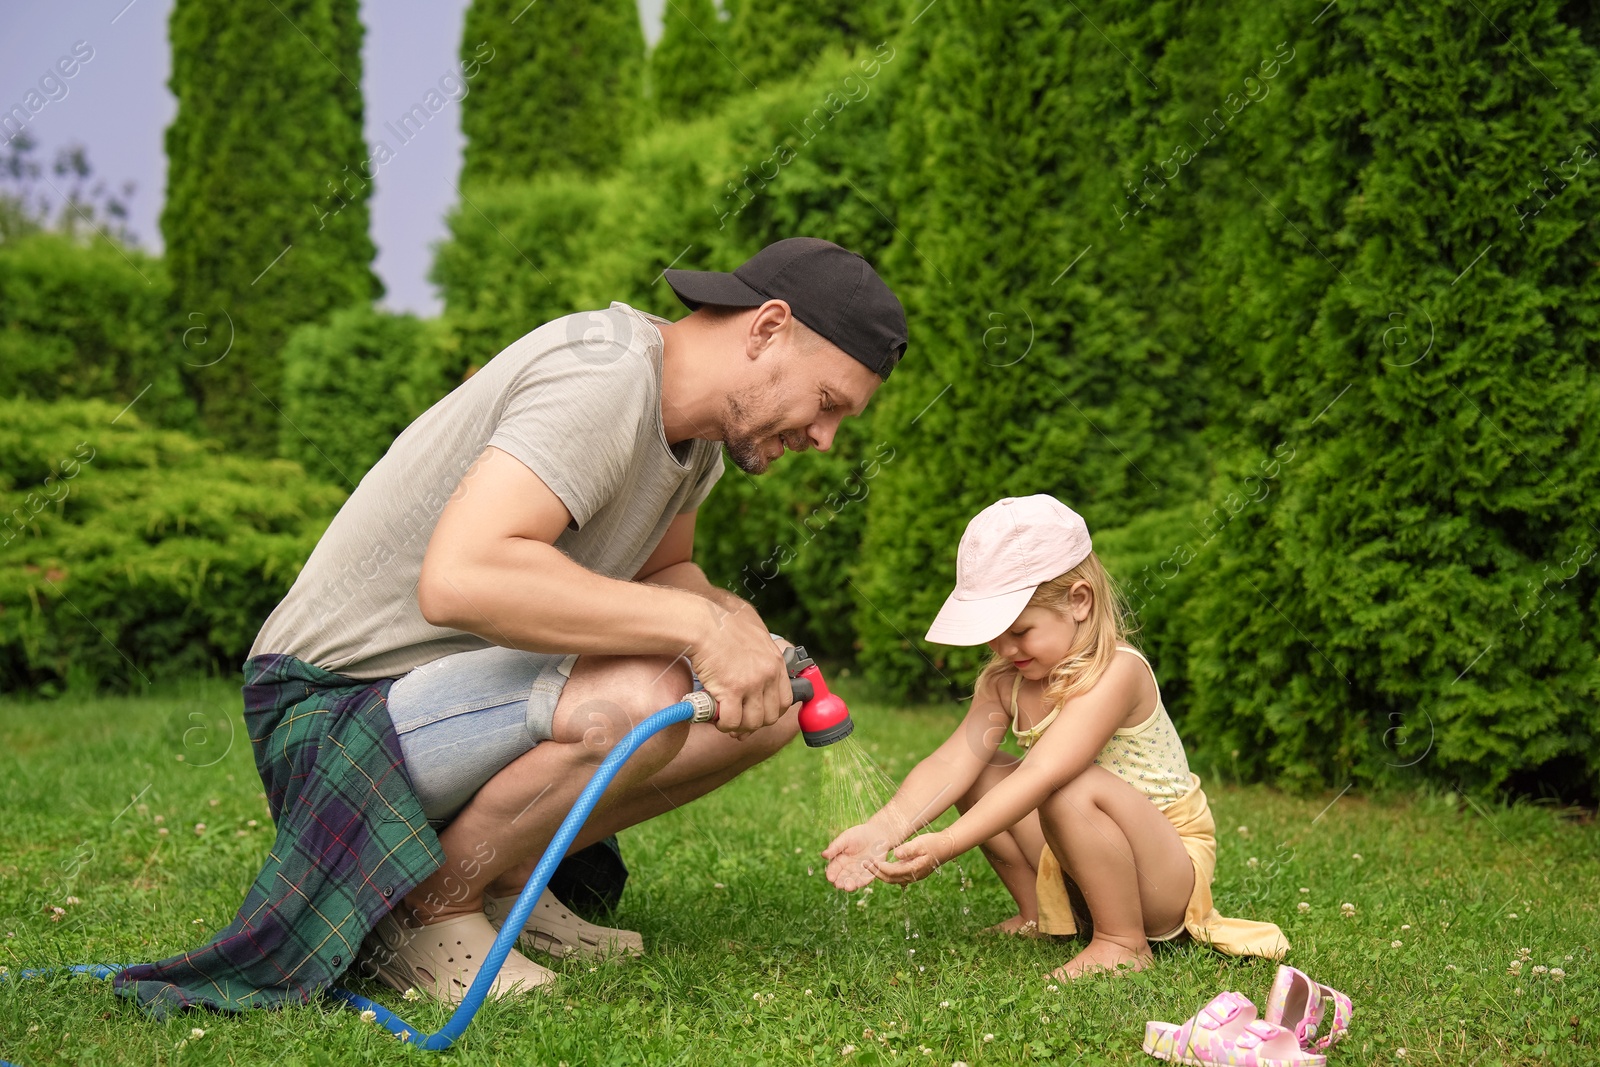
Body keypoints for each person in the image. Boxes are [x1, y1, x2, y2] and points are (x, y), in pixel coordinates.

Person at [112, 237, 909, 1015]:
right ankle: (427, 913)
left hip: (447, 703)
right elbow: (463, 578)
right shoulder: (603, 375)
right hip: (333, 709)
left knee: (762, 706)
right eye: (828, 402)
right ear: (767, 328)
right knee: (648, 687)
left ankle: (502, 883)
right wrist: (700, 628)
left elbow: (663, 576)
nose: (825, 438)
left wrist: (739, 629)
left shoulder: (693, 438)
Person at [823, 495, 1286, 980]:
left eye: (1019, 631)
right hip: (1078, 854)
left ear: (1079, 601)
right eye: (993, 634)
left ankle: (1122, 942)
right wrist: (882, 829)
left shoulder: (1116, 672)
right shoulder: (1007, 683)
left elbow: (1047, 773)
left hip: (1163, 873)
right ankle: (1040, 916)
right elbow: (950, 764)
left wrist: (948, 844)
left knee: (1069, 784)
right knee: (981, 771)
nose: (1003, 648)